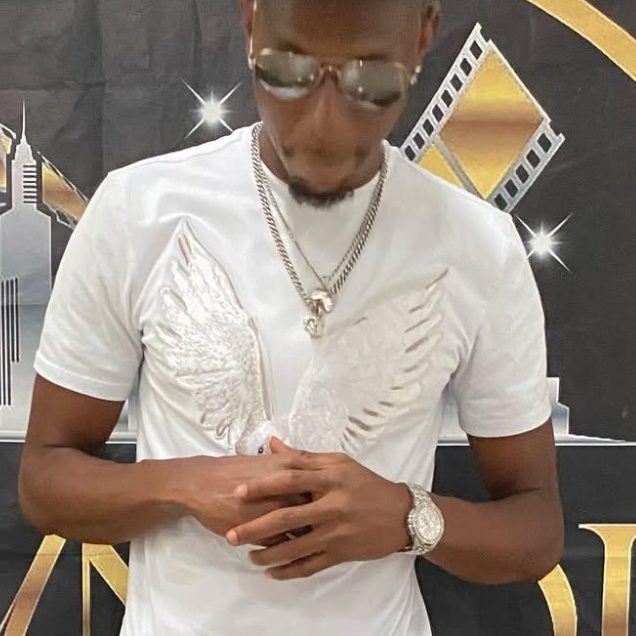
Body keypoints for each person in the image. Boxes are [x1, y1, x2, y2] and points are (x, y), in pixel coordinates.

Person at [18, 0, 564, 634]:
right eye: (288, 73)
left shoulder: (477, 246)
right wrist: (186, 486)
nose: (324, 124)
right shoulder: (140, 211)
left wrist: (406, 517)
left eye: (371, 81)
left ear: (423, 38)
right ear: (251, 24)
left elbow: (535, 530)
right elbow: (45, 482)